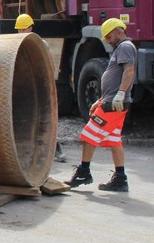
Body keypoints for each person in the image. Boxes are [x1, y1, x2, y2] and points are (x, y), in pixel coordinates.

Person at [66, 17, 136, 192]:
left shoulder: (125, 47)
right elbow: (115, 77)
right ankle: (120, 179)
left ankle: (83, 172)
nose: (108, 41)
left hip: (113, 104)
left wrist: (120, 94)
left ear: (118, 32)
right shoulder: (120, 48)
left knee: (89, 135)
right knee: (114, 139)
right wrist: (100, 100)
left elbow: (129, 71)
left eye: (109, 37)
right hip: (111, 101)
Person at [14, 14, 67, 163]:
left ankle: (56, 150)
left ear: (31, 28)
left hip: (39, 84)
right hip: (24, 86)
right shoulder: (15, 44)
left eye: (23, 29)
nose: (21, 32)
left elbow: (49, 64)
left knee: (45, 118)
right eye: (19, 29)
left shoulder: (40, 44)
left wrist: (49, 84)